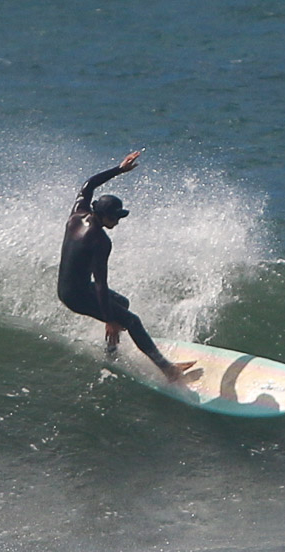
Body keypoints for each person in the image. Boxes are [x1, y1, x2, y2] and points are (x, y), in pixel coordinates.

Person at [57, 151, 193, 382]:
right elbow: (100, 283)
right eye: (116, 217)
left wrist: (120, 169)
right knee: (131, 321)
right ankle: (169, 371)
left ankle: (111, 353)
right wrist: (110, 320)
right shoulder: (100, 241)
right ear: (105, 216)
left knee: (122, 304)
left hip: (70, 287)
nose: (118, 221)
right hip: (77, 295)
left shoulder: (77, 215)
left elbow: (88, 184)